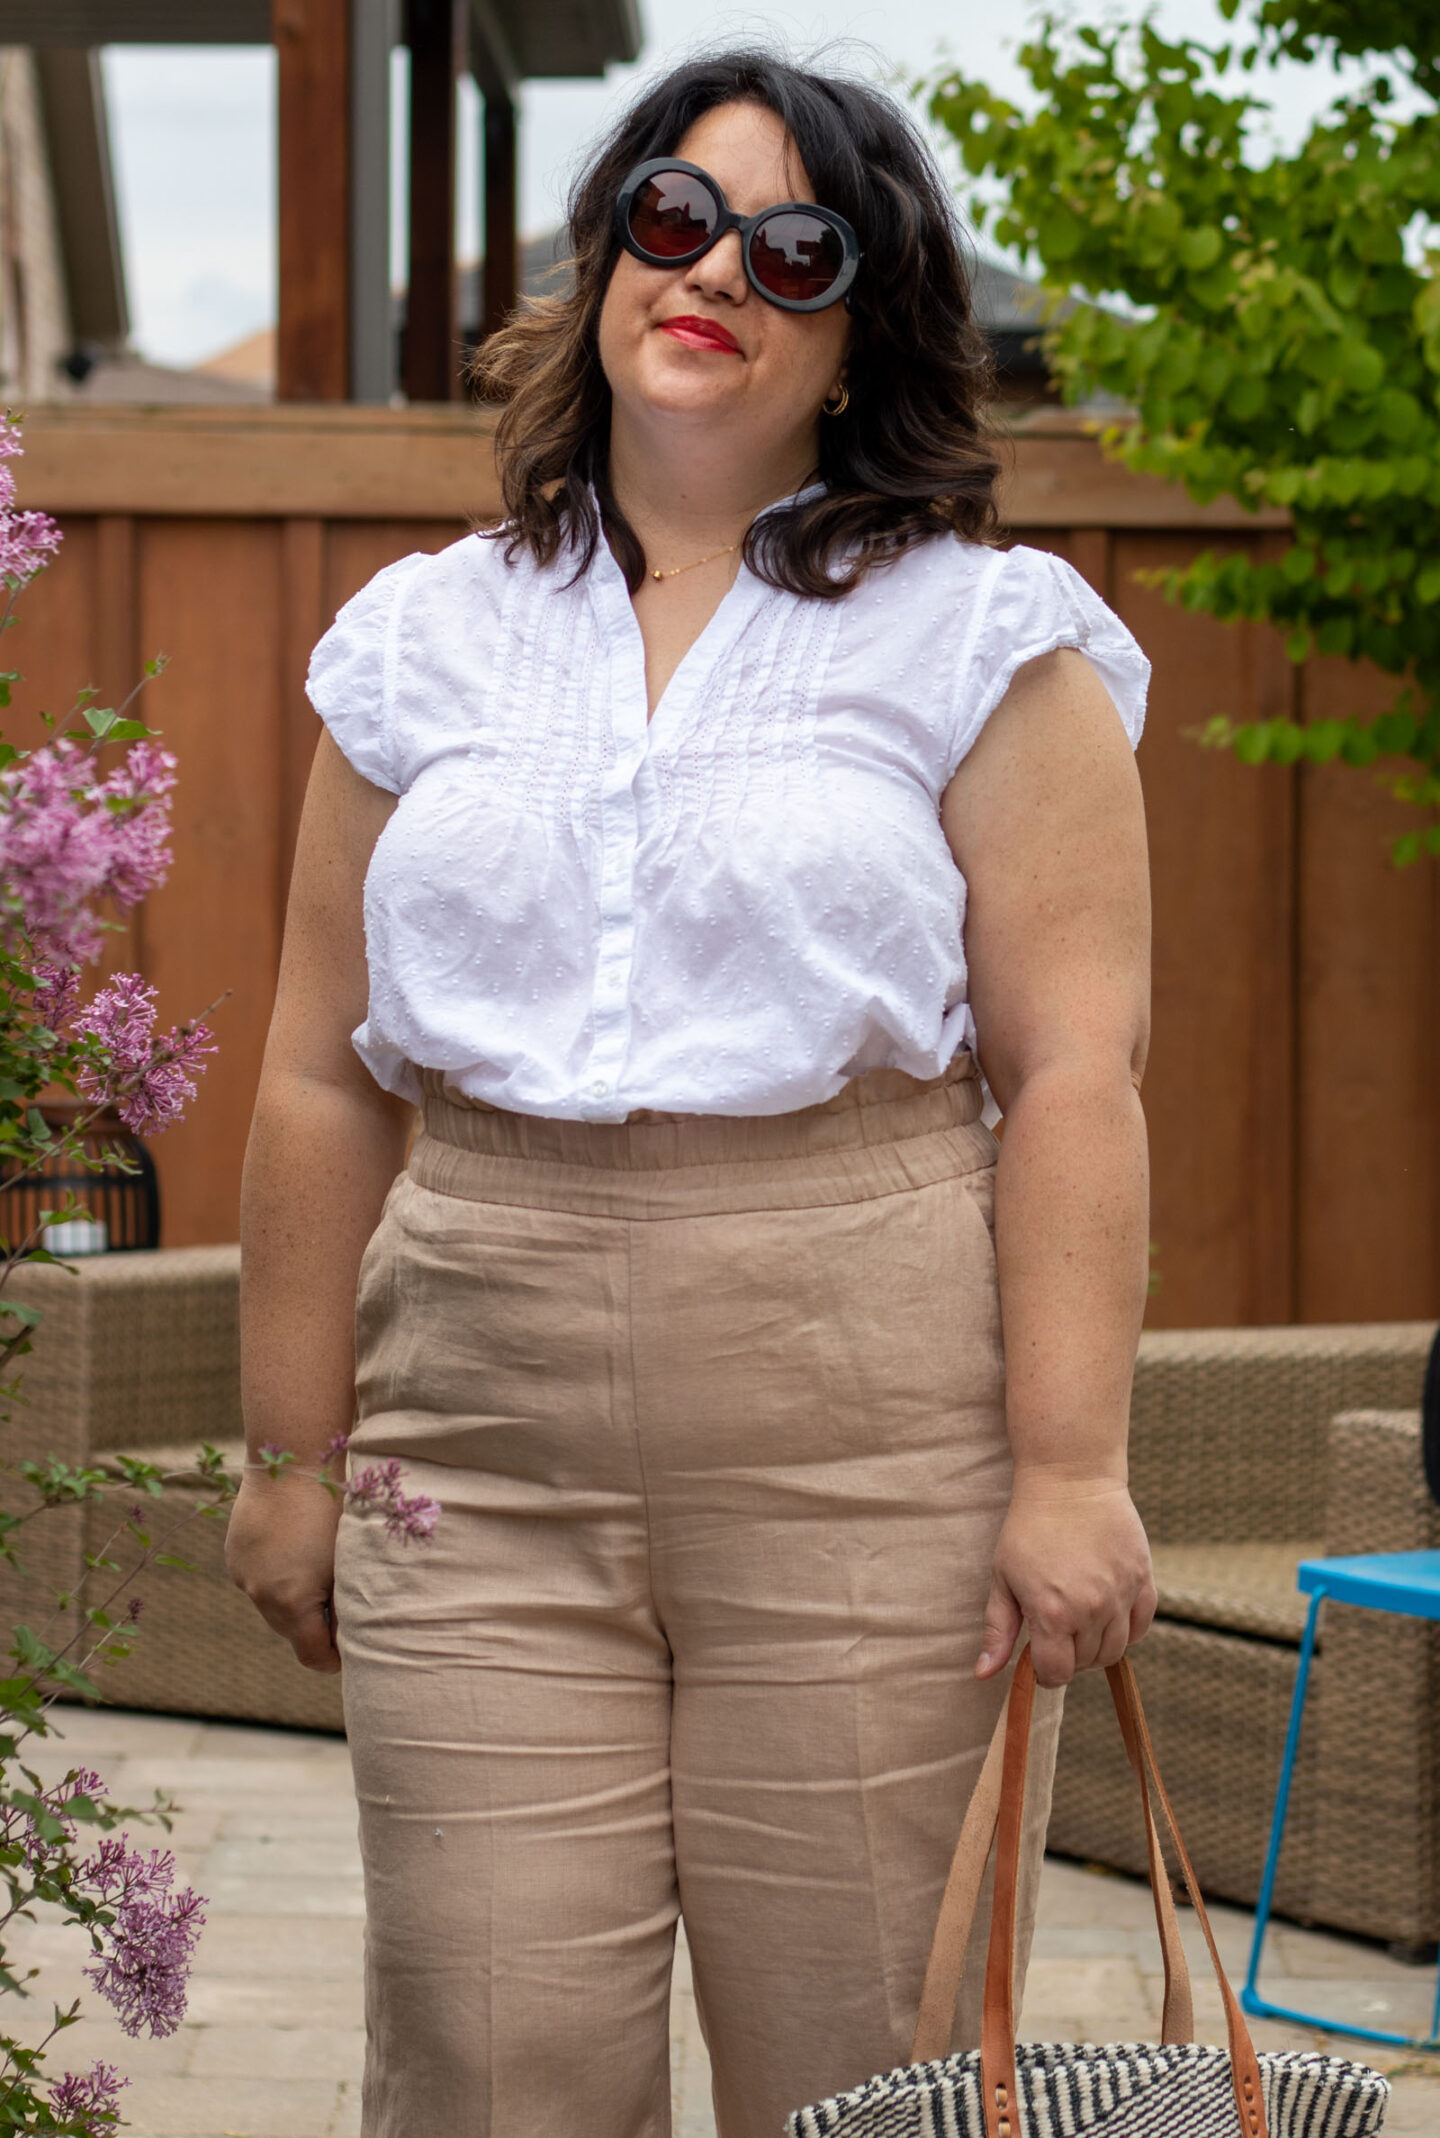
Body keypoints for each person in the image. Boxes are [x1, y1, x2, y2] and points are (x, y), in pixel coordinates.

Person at [228, 48, 1158, 2138]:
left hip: (872, 1438)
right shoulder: (419, 642)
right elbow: (313, 1076)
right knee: (488, 2068)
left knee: (867, 2071)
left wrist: (1069, 1468)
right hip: (478, 1428)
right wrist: (292, 1448)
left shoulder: (989, 641)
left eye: (792, 244)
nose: (715, 268)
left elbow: (1076, 1079)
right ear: (603, 258)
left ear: (864, 327)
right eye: (673, 215)